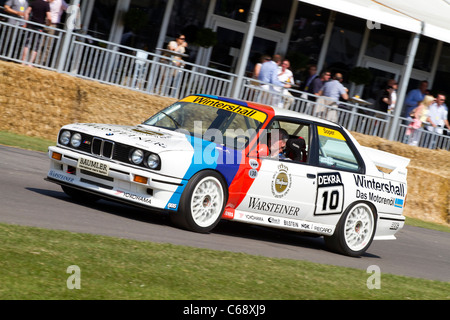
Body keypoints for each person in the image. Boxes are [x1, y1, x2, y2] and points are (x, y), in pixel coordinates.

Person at [21, 0, 51, 66]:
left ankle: (23, 62)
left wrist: (26, 22)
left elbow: (26, 12)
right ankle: (30, 63)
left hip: (31, 25)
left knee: (27, 43)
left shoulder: (34, 2)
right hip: (39, 27)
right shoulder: (46, 5)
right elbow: (49, 18)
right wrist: (48, 24)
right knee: (36, 45)